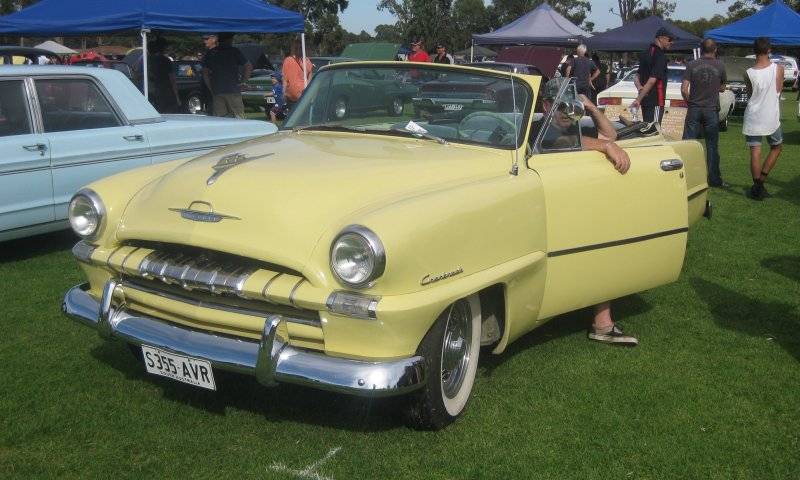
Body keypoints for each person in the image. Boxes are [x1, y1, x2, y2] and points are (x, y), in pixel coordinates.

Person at [533, 79, 637, 346]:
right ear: (547, 105)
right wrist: (604, 146)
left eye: (572, 108)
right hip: (544, 207)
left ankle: (602, 323)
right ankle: (598, 322)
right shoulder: (541, 128)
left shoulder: (573, 122)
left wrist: (590, 106)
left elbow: (610, 135)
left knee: (600, 246)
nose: (568, 114)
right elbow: (570, 141)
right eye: (562, 107)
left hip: (565, 204)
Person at [682, 38, 727, 188]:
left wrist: (690, 101)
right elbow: (722, 87)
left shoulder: (691, 65)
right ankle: (714, 179)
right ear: (715, 50)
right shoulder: (720, 66)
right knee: (712, 145)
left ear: (701, 49)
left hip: (694, 108)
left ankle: (685, 177)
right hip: (711, 110)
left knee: (688, 144)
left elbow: (684, 88)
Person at [743, 37, 784, 200]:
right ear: (769, 50)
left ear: (754, 52)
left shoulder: (748, 73)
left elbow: (749, 94)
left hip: (753, 115)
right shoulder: (778, 68)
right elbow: (778, 91)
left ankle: (757, 186)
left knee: (755, 152)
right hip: (770, 116)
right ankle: (760, 183)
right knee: (777, 147)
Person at [202, 32, 251, 118]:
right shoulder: (234, 51)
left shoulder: (210, 53)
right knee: (238, 118)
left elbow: (205, 73)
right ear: (230, 40)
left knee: (220, 120)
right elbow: (248, 66)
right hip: (233, 90)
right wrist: (244, 81)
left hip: (217, 91)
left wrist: (211, 88)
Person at [630, 27, 673, 124]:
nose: (672, 42)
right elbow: (652, 80)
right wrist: (638, 99)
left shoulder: (645, 53)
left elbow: (636, 76)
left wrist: (640, 88)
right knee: (654, 131)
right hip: (656, 100)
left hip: (645, 100)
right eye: (670, 39)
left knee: (647, 127)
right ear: (661, 38)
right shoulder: (660, 56)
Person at [147, 37, 181, 114]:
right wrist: (177, 98)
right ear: (162, 47)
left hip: (152, 92)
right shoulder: (165, 60)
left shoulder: (146, 60)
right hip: (165, 93)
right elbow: (172, 80)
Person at [281, 38, 313, 112]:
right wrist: (283, 92)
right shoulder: (288, 60)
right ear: (293, 48)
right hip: (290, 99)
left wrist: (306, 90)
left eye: (300, 47)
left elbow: (310, 78)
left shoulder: (307, 61)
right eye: (296, 48)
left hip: (304, 98)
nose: (298, 49)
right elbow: (284, 79)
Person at [199, 34, 217, 114]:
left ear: (214, 39)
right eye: (204, 39)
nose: (204, 41)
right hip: (208, 88)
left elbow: (206, 73)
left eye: (207, 39)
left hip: (213, 87)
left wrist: (210, 88)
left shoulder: (214, 53)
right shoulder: (207, 53)